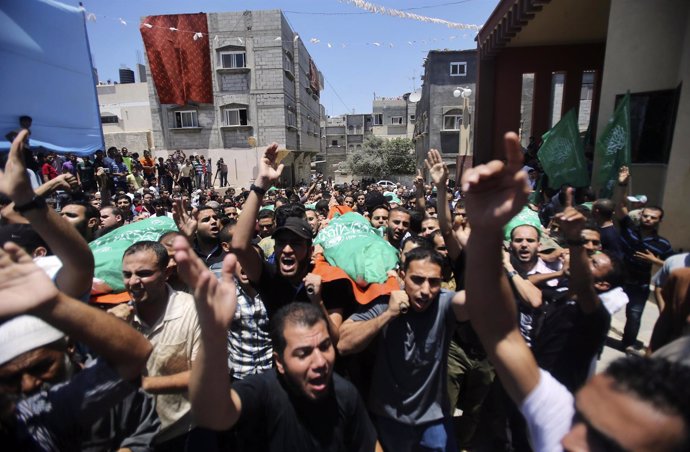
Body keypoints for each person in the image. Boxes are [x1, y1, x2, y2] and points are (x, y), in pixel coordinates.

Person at [461, 131, 690, 452]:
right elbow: (499, 332)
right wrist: (485, 229)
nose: (570, 438)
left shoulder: (597, 313)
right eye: (584, 419)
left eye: (602, 440)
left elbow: (581, 286)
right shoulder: (562, 418)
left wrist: (575, 241)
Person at [170, 236, 380, 451]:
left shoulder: (344, 393)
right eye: (303, 353)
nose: (319, 362)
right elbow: (212, 415)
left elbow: (370, 444)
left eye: (324, 346)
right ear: (279, 362)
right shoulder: (263, 390)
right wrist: (214, 335)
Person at [0, 241, 153, 451]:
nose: (27, 385)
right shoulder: (25, 415)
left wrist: (52, 304)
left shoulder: (49, 414)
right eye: (9, 379)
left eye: (40, 367)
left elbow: (135, 353)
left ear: (70, 347)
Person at [338, 247, 469, 451]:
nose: (425, 290)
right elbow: (344, 344)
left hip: (434, 419)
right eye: (417, 279)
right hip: (389, 418)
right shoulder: (383, 303)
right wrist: (388, 315)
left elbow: (474, 301)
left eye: (434, 282)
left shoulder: (444, 303)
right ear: (401, 276)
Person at [109, 241, 201, 449]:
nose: (133, 282)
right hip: (133, 439)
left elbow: (204, 375)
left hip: (183, 433)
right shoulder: (117, 318)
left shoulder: (194, 312)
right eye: (126, 274)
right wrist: (113, 332)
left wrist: (143, 384)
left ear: (166, 272)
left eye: (143, 273)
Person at [615, 166, 673, 353]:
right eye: (645, 215)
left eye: (652, 217)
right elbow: (621, 207)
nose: (647, 219)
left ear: (659, 221)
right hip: (617, 278)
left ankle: (628, 344)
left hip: (639, 284)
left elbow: (672, 265)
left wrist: (654, 260)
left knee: (634, 315)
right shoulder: (629, 228)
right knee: (604, 310)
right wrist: (622, 185)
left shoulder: (662, 244)